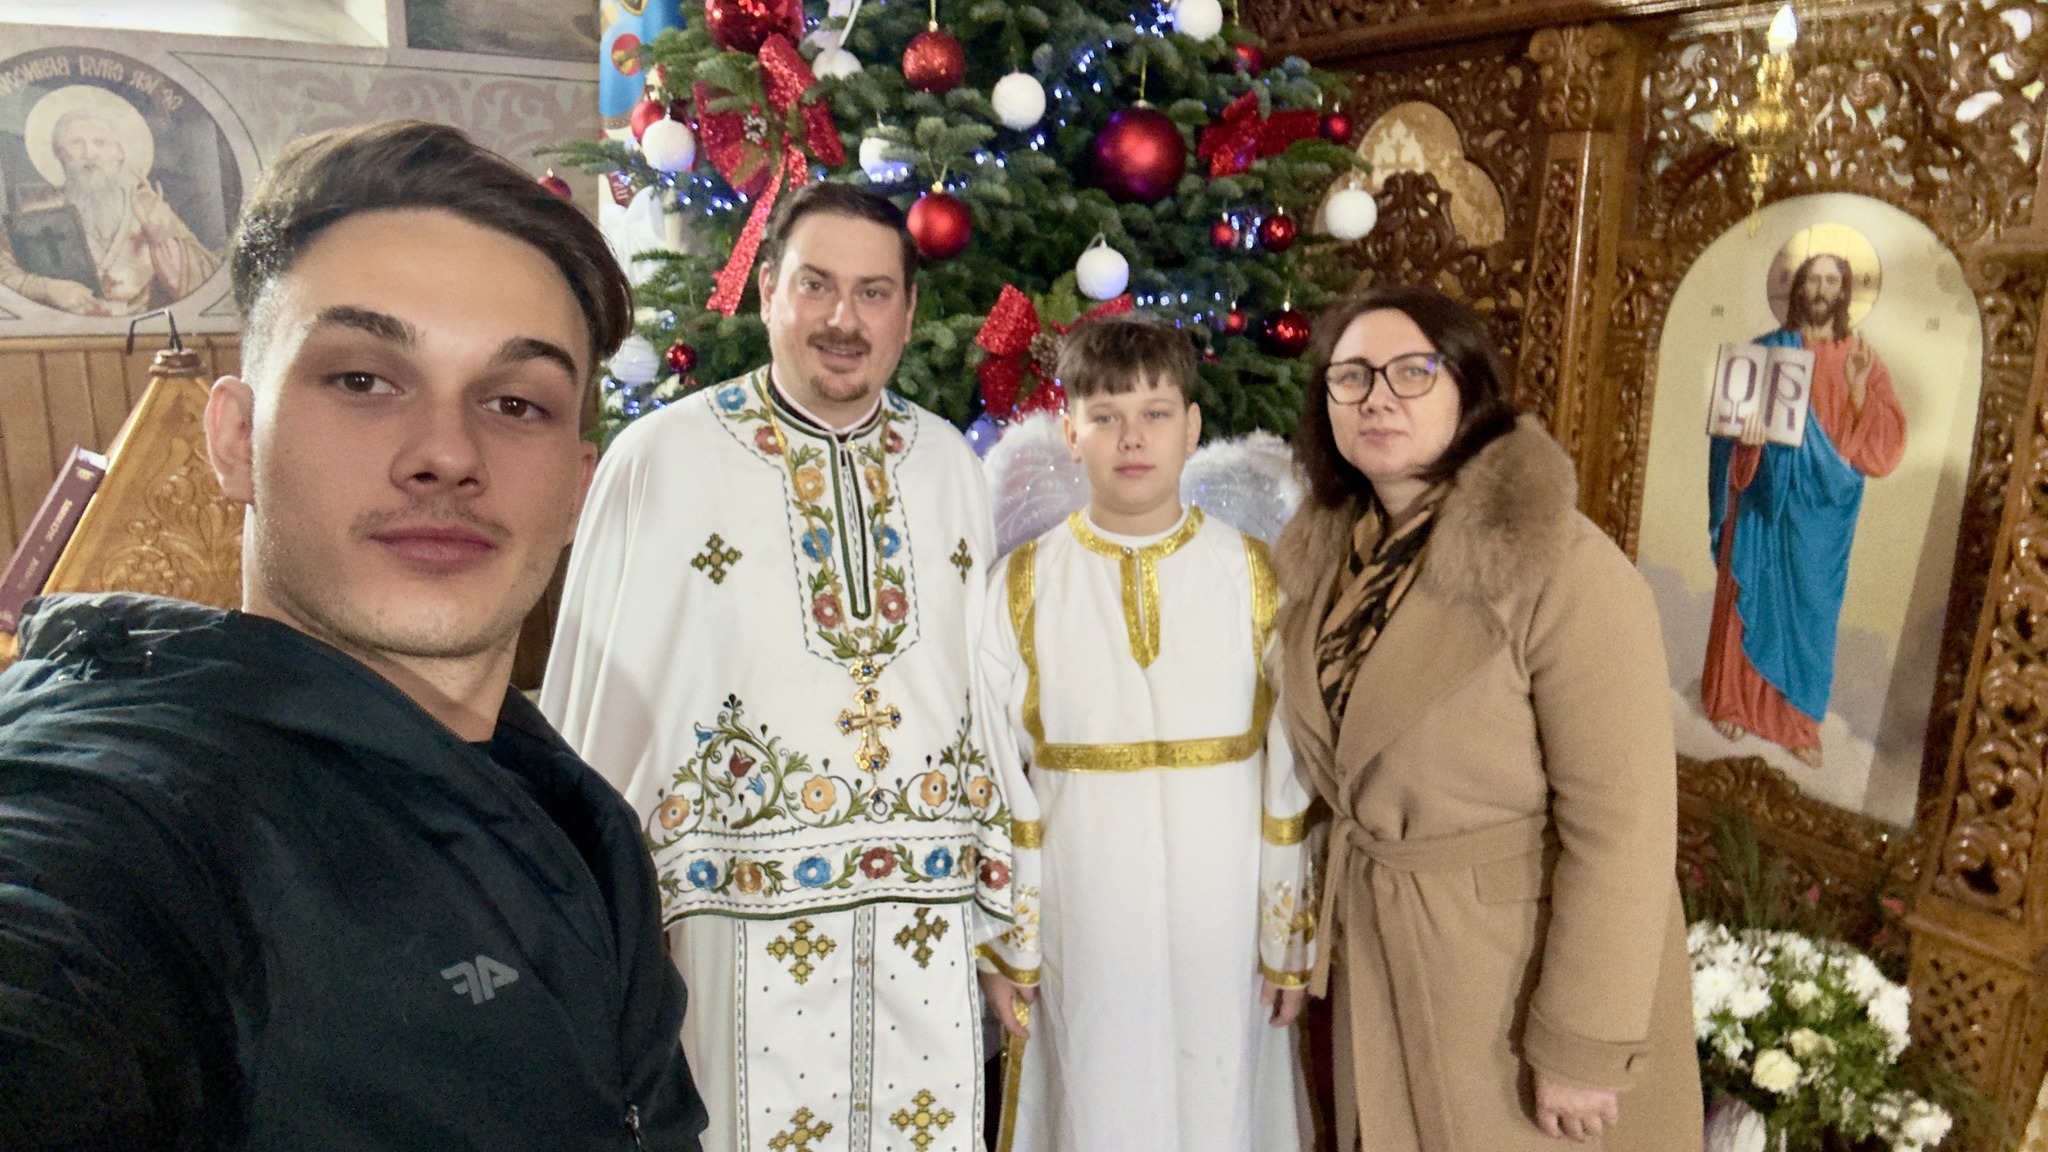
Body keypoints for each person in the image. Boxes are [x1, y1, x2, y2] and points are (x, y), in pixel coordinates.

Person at [0, 120, 707, 1150]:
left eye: (515, 402)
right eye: (364, 380)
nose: (447, 453)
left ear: (576, 491)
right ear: (235, 440)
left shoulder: (578, 819)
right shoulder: (123, 834)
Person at [541, 181, 1023, 1152]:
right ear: (766, 292)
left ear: (907, 312)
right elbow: (595, 709)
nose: (844, 319)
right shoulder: (662, 458)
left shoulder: (949, 465)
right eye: (815, 285)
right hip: (728, 917)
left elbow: (983, 702)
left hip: (921, 917)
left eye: (873, 293)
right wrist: (595, 927)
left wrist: (1000, 922)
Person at [1273, 286, 1701, 1151]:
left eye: (1411, 372)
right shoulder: (1330, 558)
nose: (1377, 398)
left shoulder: (1564, 567)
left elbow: (1624, 827)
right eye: (1351, 377)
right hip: (1382, 957)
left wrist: (1584, 1041)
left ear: (1469, 389)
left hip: (1507, 976)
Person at [976, 315, 1315, 1152]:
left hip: (1224, 921)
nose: (1132, 438)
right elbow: (995, 774)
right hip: (1083, 922)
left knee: (1222, 1104)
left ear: (1192, 428)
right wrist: (1009, 946)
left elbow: (1288, 771)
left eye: (1156, 413)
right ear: (1070, 432)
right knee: (1095, 1107)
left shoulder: (1254, 574)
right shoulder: (1021, 585)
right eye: (1106, 416)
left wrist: (1286, 940)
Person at [1703, 252, 1907, 767]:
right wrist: (1745, 441)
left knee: (1813, 614)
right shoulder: (1766, 350)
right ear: (1797, 288)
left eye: (1831, 281)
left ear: (1844, 291)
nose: (1821, 290)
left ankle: (1797, 723)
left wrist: (1858, 392)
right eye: (1813, 279)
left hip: (1823, 513)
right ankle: (1733, 702)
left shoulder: (1862, 357)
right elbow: (1728, 428)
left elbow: (1884, 449)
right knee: (1748, 592)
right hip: (1763, 499)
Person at [0, 101, 221, 316]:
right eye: (76, 143)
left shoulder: (148, 207)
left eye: (101, 143)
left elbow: (205, 280)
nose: (89, 153)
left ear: (119, 153)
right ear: (59, 152)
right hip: (62, 334)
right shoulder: (36, 209)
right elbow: (4, 272)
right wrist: (46, 289)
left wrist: (163, 239)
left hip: (145, 331)